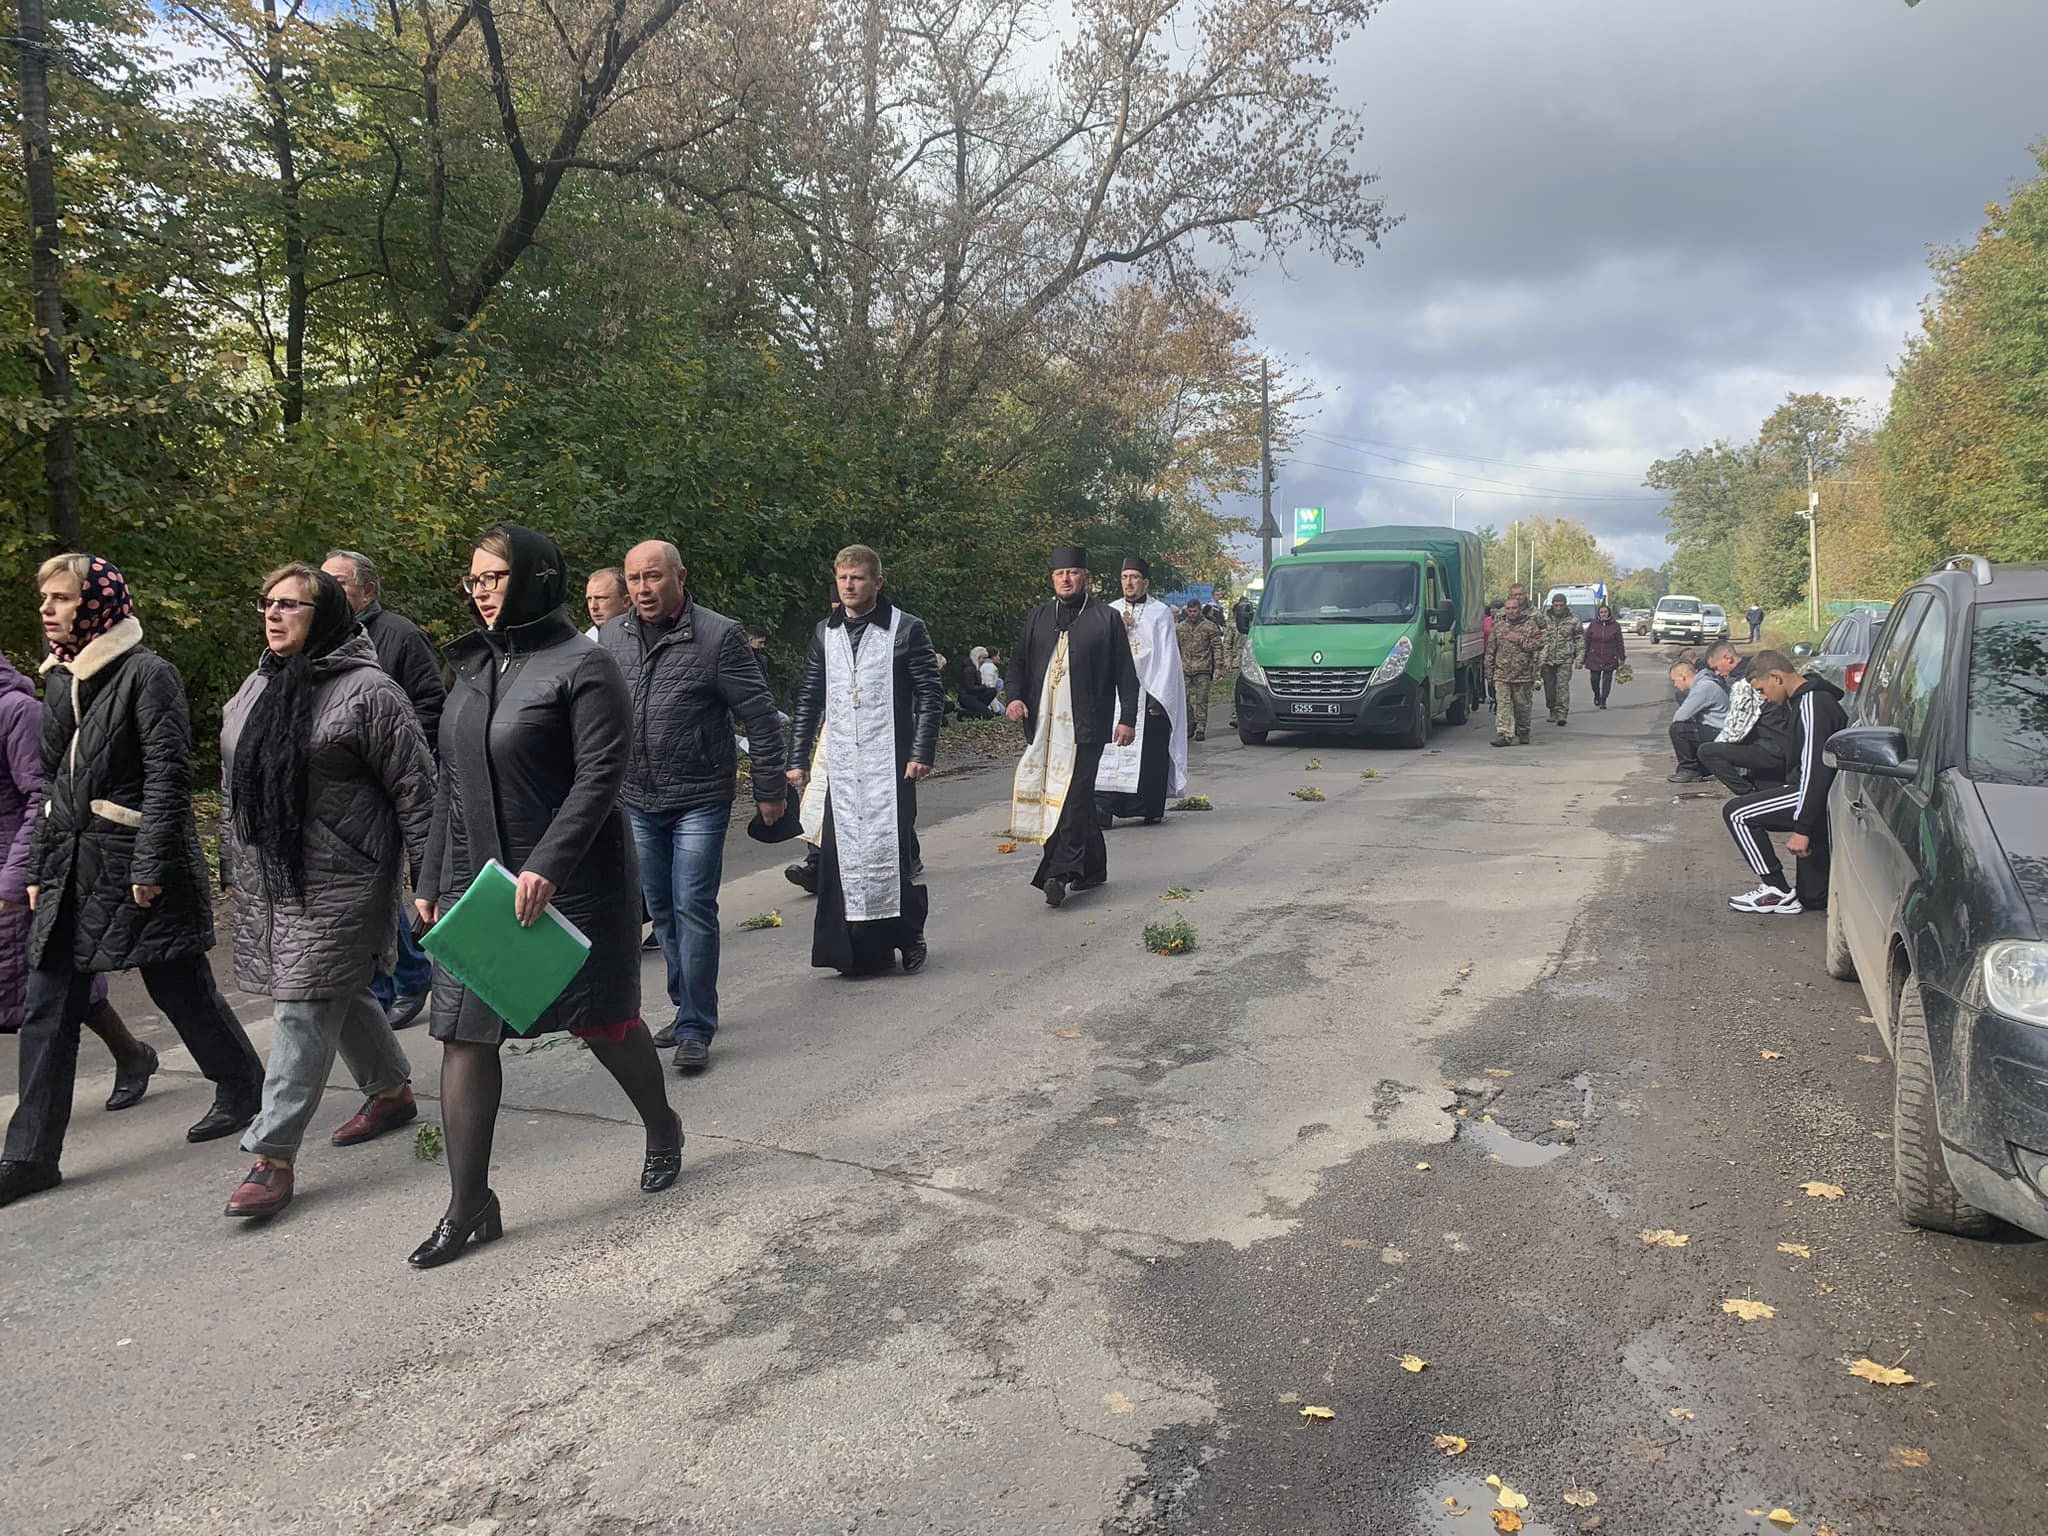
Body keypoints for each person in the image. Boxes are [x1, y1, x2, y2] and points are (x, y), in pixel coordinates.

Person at [410, 523, 681, 1268]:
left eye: (495, 577)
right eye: (473, 580)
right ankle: (470, 1205)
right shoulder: (471, 669)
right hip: (480, 883)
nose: (482, 592)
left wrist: (550, 864)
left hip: (574, 884)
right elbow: (451, 787)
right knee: (464, 1033)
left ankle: (662, 1126)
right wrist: (432, 878)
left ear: (533, 579)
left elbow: (600, 778)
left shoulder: (582, 668)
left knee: (603, 1023)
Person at [0, 555, 267, 1210]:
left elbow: (169, 776)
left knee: (178, 985)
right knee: (47, 1002)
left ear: (96, 603)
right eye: (44, 598)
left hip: (138, 864)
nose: (47, 609)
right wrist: (38, 868)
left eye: (60, 598)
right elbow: (55, 790)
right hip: (70, 867)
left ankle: (243, 1085)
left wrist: (149, 864)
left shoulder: (150, 675)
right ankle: (29, 1155)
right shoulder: (59, 681)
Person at [217, 565, 435, 1219]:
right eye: (267, 602)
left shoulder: (371, 693)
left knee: (302, 1005)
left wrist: (428, 877)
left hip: (345, 877)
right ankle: (391, 1091)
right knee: (337, 990)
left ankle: (272, 1155)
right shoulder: (260, 683)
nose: (274, 614)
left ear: (329, 613)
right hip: (274, 873)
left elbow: (418, 792)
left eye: (292, 604)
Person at [596, 540, 787, 1071]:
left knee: (692, 905)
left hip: (700, 795)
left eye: (652, 577)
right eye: (633, 579)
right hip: (637, 796)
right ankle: (687, 1008)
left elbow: (761, 717)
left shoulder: (718, 635)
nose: (642, 589)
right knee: (660, 911)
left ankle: (697, 1024)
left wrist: (770, 788)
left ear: (679, 576)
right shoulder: (611, 637)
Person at [1, 649, 154, 1110]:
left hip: (18, 865)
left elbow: (40, 798)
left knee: (53, 985)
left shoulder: (16, 711)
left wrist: (14, 877)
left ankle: (130, 1055)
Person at [786, 546, 945, 976]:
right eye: (843, 579)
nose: (850, 585)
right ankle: (856, 948)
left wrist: (921, 752)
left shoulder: (906, 629)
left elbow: (931, 695)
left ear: (878, 582)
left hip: (891, 763)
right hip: (843, 766)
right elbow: (809, 697)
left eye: (858, 578)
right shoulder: (825, 632)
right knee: (843, 858)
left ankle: (909, 934)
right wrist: (797, 756)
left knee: (891, 852)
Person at [323, 549, 444, 1031]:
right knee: (355, 888)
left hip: (387, 780)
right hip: (339, 788)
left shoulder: (399, 634)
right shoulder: (323, 636)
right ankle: (379, 984)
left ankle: (410, 975)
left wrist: (408, 760)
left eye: (339, 583)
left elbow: (431, 702)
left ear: (367, 591)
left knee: (379, 884)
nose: (327, 591)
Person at [1006, 547, 1139, 907]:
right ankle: (1093, 868)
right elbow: (1017, 664)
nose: (1066, 579)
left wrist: (1128, 718)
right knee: (1067, 799)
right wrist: (1014, 698)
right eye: (1059, 573)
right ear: (1052, 579)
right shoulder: (1038, 616)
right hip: (1044, 728)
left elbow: (1126, 674)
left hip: (1086, 727)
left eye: (1073, 572)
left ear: (1086, 577)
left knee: (1073, 799)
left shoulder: (1105, 618)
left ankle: (1056, 874)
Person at [1721, 652, 1848, 916]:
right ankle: (1795, 894)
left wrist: (1802, 828)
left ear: (1777, 677)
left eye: (1762, 690)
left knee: (1737, 812)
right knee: (1813, 898)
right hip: (1811, 794)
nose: (1763, 698)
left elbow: (1815, 768)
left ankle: (1775, 888)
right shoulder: (1801, 701)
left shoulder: (1813, 703)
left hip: (1815, 794)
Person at [1094, 557, 1188, 826]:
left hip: (1149, 691)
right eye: (1124, 578)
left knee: (1149, 752)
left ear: (1145, 582)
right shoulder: (1109, 611)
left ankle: (1147, 807)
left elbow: (1168, 658)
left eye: (1134, 577)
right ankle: (1103, 808)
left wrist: (1161, 697)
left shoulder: (1159, 613)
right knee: (1109, 750)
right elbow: (1098, 652)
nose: (1129, 583)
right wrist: (1116, 632)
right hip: (1114, 694)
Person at [1485, 594, 1544, 747]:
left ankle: (1523, 731)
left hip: (1523, 675)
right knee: (1503, 706)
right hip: (1502, 674)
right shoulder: (1498, 627)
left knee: (1522, 707)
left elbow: (1539, 644)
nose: (1511, 611)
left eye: (1514, 608)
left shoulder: (1530, 625)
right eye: (1509, 608)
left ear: (1520, 609)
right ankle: (1504, 734)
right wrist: (1489, 674)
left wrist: (1520, 640)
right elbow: (1490, 651)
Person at [1665, 658, 1730, 784]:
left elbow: (1679, 717)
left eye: (1675, 681)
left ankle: (1689, 769)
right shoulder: (1705, 683)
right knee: (1688, 728)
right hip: (1718, 729)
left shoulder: (1703, 688)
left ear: (1683, 677)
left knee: (1678, 729)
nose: (1675, 685)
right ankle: (1703, 766)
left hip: (1720, 732)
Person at [1537, 592, 1586, 725]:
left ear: (1565, 605)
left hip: (1565, 658)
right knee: (1549, 688)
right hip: (1547, 659)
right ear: (1552, 604)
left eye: (1561, 605)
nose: (1558, 607)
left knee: (1562, 687)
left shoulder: (1573, 620)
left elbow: (1580, 640)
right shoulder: (1544, 619)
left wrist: (1580, 658)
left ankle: (1562, 714)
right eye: (1556, 605)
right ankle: (1552, 709)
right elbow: (1537, 638)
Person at [1177, 599, 1222, 742]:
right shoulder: (1180, 628)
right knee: (1184, 699)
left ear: (1200, 611)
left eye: (1194, 611)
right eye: (1190, 611)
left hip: (1203, 667)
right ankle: (1190, 724)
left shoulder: (1209, 626)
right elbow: (1175, 648)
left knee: (1201, 700)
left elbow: (1217, 647)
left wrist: (1218, 666)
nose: (1192, 614)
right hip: (1184, 668)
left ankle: (1201, 727)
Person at [1581, 603, 1627, 709]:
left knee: (1607, 680)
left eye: (1605, 612)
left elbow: (1620, 642)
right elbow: (1587, 641)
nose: (1603, 614)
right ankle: (1597, 695)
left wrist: (1622, 657)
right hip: (1594, 656)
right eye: (1601, 612)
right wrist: (1584, 656)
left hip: (1610, 657)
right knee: (1594, 679)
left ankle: (1603, 700)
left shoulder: (1615, 625)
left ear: (1609, 613)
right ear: (1598, 614)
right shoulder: (1593, 624)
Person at [585, 568, 629, 638]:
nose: (593, 606)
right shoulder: (589, 638)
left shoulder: (645, 636)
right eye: (589, 599)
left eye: (601, 598)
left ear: (626, 601)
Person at [957, 647, 1000, 718]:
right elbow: (970, 688)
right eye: (983, 658)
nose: (984, 660)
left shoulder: (975, 668)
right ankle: (969, 712)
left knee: (992, 691)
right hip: (967, 697)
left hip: (973, 695)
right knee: (988, 715)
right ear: (977, 657)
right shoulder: (969, 669)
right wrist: (984, 686)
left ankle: (972, 712)